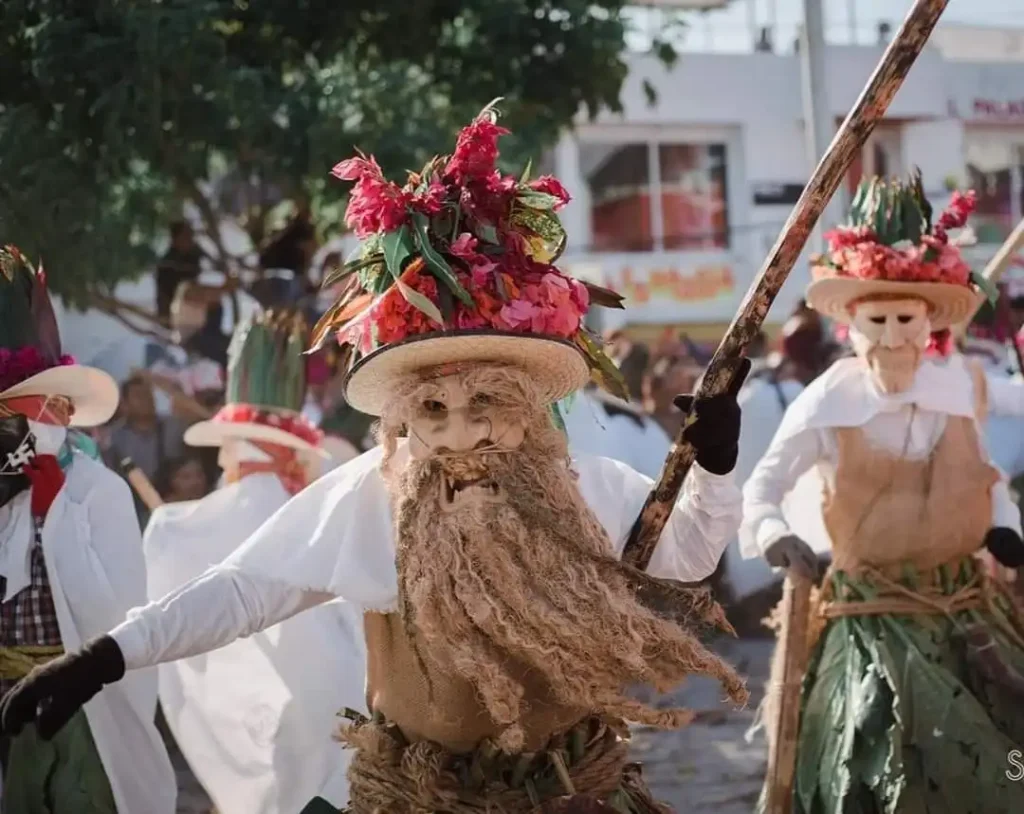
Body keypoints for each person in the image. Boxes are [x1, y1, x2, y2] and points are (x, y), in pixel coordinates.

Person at [1, 106, 748, 813]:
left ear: (528, 405)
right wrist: (107, 656)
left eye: (486, 404)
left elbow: (683, 555)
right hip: (411, 796)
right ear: (403, 418)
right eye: (433, 410)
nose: (460, 436)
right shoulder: (370, 494)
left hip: (570, 791)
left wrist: (713, 467)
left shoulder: (590, 488)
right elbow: (243, 591)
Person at [740, 175, 1024, 812]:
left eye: (905, 321)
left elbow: (986, 477)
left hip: (966, 607)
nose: (893, 338)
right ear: (852, 326)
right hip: (871, 615)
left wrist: (1006, 528)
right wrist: (775, 535)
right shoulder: (826, 401)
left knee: (1007, 753)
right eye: (879, 322)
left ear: (928, 326)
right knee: (876, 762)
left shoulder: (957, 389)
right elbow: (764, 485)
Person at [142, 308, 366, 814]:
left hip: (265, 711)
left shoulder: (196, 523)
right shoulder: (311, 509)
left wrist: (166, 529)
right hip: (339, 695)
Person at [0, 246, 175, 813]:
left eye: (28, 412)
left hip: (79, 710)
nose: (17, 429)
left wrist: (57, 516)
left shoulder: (101, 492)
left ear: (63, 411)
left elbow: (114, 617)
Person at [156, 220, 203, 320]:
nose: (190, 239)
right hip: (175, 315)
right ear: (176, 239)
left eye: (191, 235)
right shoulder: (168, 264)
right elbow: (165, 296)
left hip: (193, 311)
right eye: (186, 235)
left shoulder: (193, 256)